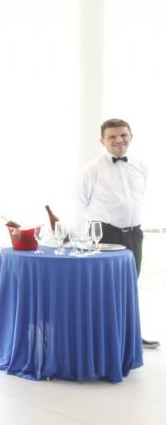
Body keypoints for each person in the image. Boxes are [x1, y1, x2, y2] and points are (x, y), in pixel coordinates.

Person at [76, 118, 159, 349]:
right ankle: (103, 340)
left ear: (131, 137)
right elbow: (80, 204)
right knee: (104, 289)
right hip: (105, 235)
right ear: (102, 140)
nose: (119, 140)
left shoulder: (141, 165)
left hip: (134, 233)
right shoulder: (91, 169)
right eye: (112, 136)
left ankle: (130, 336)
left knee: (130, 286)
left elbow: (139, 198)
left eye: (123, 135)